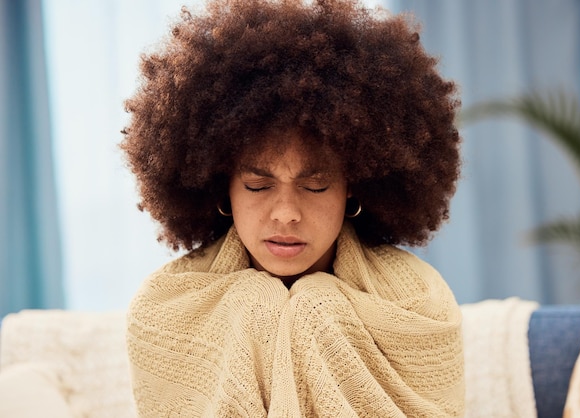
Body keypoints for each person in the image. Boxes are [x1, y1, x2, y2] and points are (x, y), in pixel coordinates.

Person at [121, 0, 465, 416]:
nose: (285, 213)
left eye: (315, 185)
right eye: (257, 185)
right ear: (221, 186)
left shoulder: (419, 305)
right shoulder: (166, 312)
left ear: (353, 188)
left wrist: (319, 311)